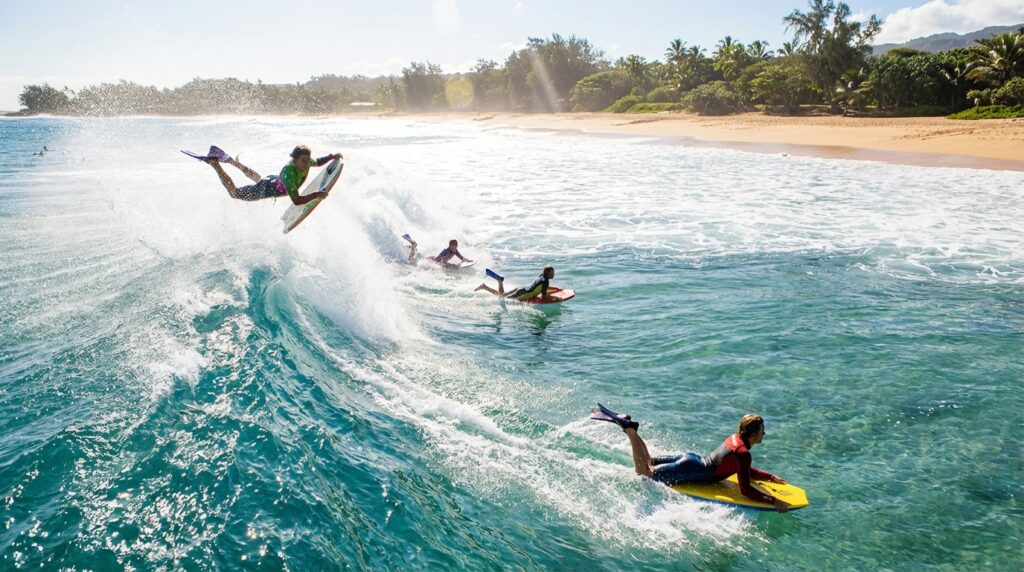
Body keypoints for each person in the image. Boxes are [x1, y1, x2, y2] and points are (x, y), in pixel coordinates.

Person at [592, 404, 792, 512]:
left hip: (691, 459)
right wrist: (773, 501)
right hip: (693, 470)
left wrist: (769, 476)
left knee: (649, 461)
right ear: (753, 434)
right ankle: (630, 430)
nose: (764, 434)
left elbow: (740, 469)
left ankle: (631, 427)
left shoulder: (735, 439)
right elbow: (746, 489)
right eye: (762, 431)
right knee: (643, 472)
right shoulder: (744, 453)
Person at [189, 145, 340, 205]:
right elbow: (296, 200)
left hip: (273, 180)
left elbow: (317, 162)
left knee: (259, 179)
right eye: (304, 161)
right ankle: (215, 164)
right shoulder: (290, 175)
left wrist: (331, 157)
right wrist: (316, 195)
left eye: (308, 160)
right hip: (266, 189)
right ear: (294, 160)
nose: (307, 164)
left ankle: (232, 161)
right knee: (234, 193)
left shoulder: (305, 161)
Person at [475, 265, 557, 302]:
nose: (553, 274)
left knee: (502, 295)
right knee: (501, 297)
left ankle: (487, 286)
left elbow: (541, 286)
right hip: (522, 293)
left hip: (521, 288)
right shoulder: (546, 282)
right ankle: (490, 285)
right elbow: (544, 296)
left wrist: (555, 289)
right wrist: (556, 298)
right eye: (552, 272)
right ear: (548, 273)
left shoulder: (542, 276)